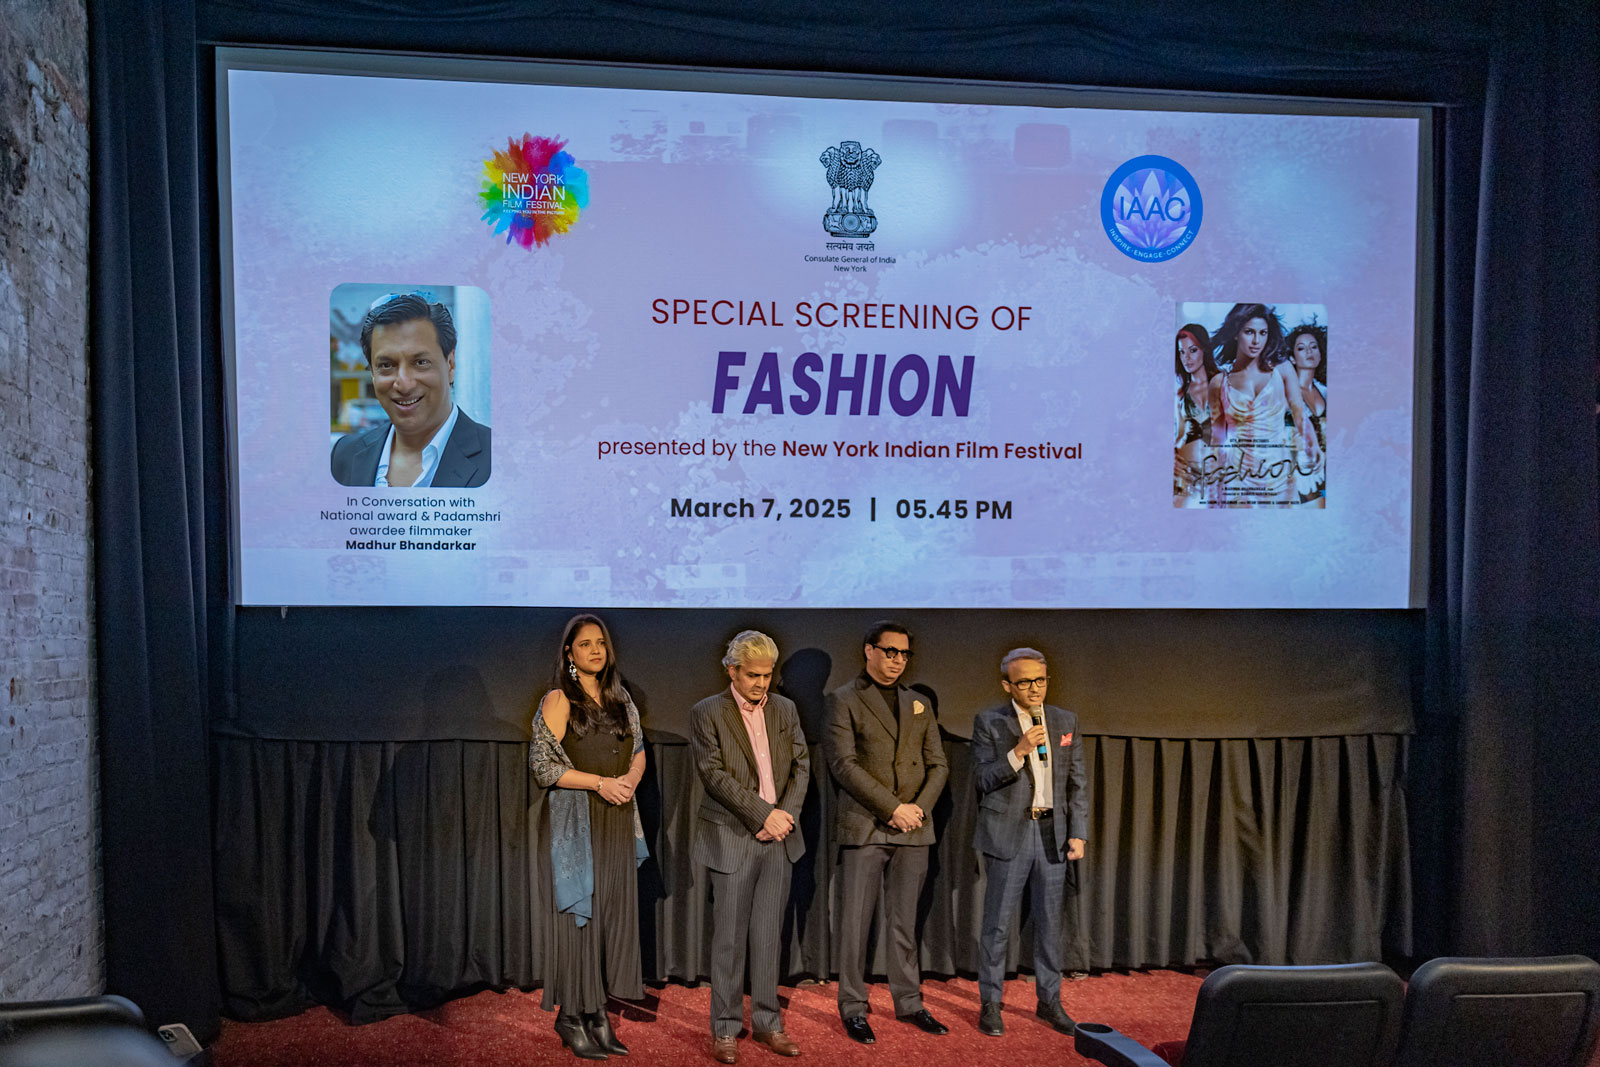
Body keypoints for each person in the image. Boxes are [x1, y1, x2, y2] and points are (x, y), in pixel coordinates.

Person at [823, 620, 949, 1042]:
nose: (897, 660)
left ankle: (910, 1002)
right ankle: (853, 1006)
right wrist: (892, 808)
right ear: (869, 650)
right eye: (890, 651)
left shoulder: (919, 703)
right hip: (866, 825)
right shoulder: (844, 699)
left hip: (914, 827)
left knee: (904, 922)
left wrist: (917, 810)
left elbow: (939, 764)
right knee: (855, 923)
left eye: (904, 654)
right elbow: (843, 765)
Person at [529, 614, 648, 1060]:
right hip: (579, 823)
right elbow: (543, 767)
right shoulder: (559, 699)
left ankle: (597, 1012)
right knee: (580, 922)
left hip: (617, 819)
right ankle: (571, 1017)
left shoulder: (621, 698)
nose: (595, 650)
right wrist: (600, 783)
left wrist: (630, 781)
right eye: (585, 644)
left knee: (608, 921)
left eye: (600, 643)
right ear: (569, 652)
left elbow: (638, 751)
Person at [690, 631, 812, 1064]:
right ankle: (725, 1028)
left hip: (779, 838)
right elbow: (713, 775)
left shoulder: (785, 709)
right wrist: (763, 815)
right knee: (728, 940)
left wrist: (782, 818)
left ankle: (768, 1023)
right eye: (753, 675)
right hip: (733, 837)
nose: (762, 683)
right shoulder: (707, 712)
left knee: (767, 937)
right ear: (732, 671)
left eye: (767, 675)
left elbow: (801, 766)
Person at [970, 648, 1088, 1039]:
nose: (1035, 688)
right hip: (1009, 834)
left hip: (1052, 834)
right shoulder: (990, 721)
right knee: (998, 925)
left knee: (1050, 925)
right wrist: (1018, 751)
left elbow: (1077, 783)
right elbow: (982, 779)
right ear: (1008, 685)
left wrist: (1078, 831)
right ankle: (991, 1002)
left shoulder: (1065, 721)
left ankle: (1049, 1001)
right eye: (1024, 682)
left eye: (1040, 680)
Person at [330, 292, 492, 487]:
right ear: (372, 373)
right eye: (387, 365)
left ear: (450, 365)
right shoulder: (344, 456)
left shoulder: (500, 457)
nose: (404, 384)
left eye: (421, 362)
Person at [1205, 303, 1319, 505]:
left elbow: (1300, 415)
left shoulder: (1283, 370)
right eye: (1249, 332)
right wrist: (1213, 483)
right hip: (1237, 476)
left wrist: (1314, 443)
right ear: (1236, 333)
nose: (1257, 341)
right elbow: (1217, 437)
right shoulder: (1218, 383)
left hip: (1278, 473)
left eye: (1263, 333)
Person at [1174, 323, 1219, 507]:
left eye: (1192, 350)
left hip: (1219, 470)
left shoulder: (1223, 384)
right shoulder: (1181, 395)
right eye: (1182, 352)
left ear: (1204, 349)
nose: (1187, 358)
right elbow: (1179, 434)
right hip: (1185, 473)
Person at [1285, 321, 1328, 506]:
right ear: (1293, 358)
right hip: (1300, 474)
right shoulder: (1285, 393)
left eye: (1314, 347)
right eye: (1301, 348)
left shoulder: (1325, 391)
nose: (1309, 351)